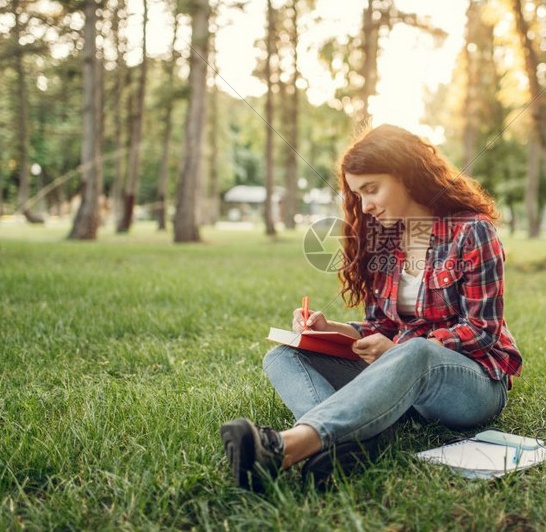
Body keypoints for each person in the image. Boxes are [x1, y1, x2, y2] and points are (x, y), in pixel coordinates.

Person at [221, 124, 523, 491]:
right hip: (400, 375)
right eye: (357, 194)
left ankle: (286, 447)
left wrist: (399, 350)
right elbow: (380, 324)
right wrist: (331, 329)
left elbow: (482, 329)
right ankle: (348, 444)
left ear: (407, 175)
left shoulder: (472, 232)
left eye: (371, 189)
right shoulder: (383, 239)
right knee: (283, 356)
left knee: (416, 353)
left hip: (471, 383)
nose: (364, 206)